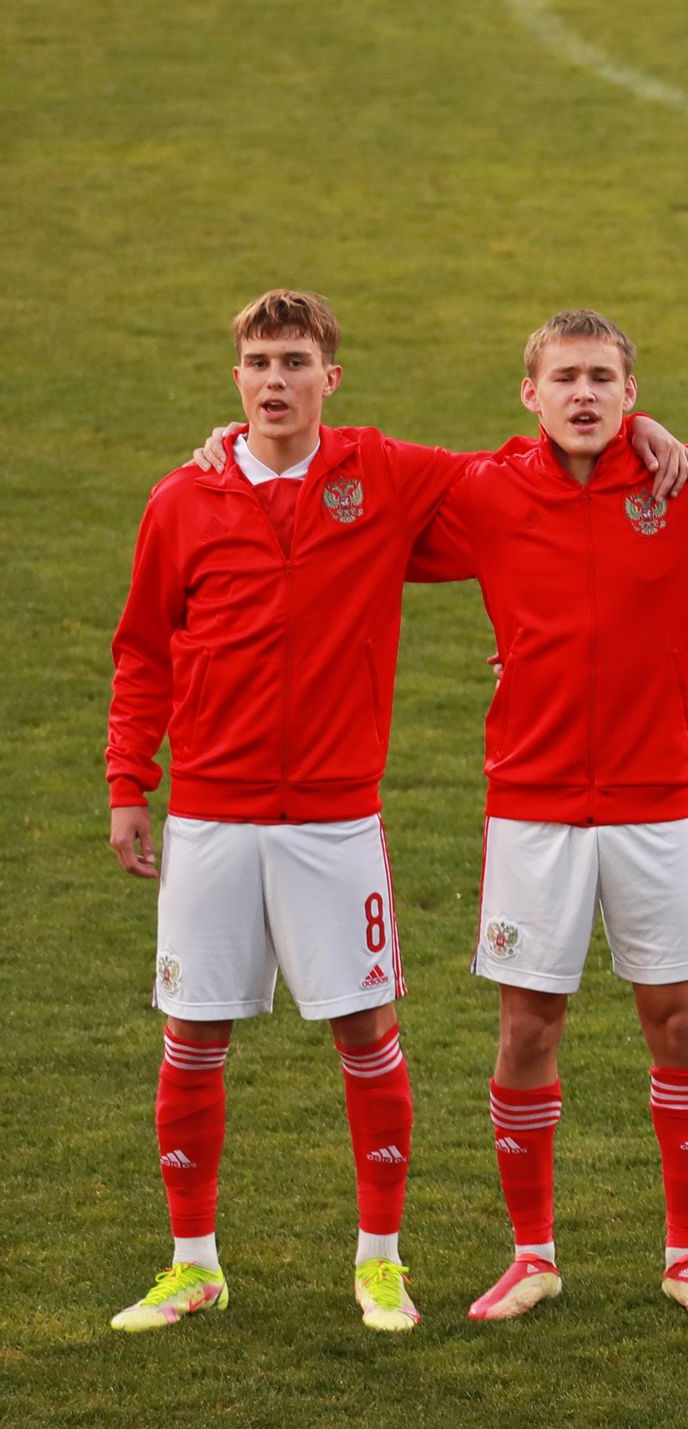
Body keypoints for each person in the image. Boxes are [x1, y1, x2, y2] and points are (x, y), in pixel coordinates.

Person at [105, 292, 466, 1333]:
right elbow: (144, 649)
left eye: (295, 361)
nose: (275, 379)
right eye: (258, 362)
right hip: (210, 818)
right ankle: (192, 1264)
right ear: (237, 381)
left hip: (333, 820)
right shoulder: (181, 500)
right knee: (193, 1034)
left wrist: (648, 430)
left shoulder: (384, 476)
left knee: (366, 1030)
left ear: (329, 378)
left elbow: (524, 485)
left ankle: (383, 1262)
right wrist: (131, 783)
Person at [418, 311, 688, 1326]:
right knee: (528, 1023)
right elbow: (337, 505)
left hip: (658, 806)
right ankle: (531, 1255)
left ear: (631, 393)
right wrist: (227, 448)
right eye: (565, 378)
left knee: (680, 1017)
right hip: (530, 808)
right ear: (529, 395)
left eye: (603, 379)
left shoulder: (684, 486)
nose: (584, 395)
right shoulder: (487, 492)